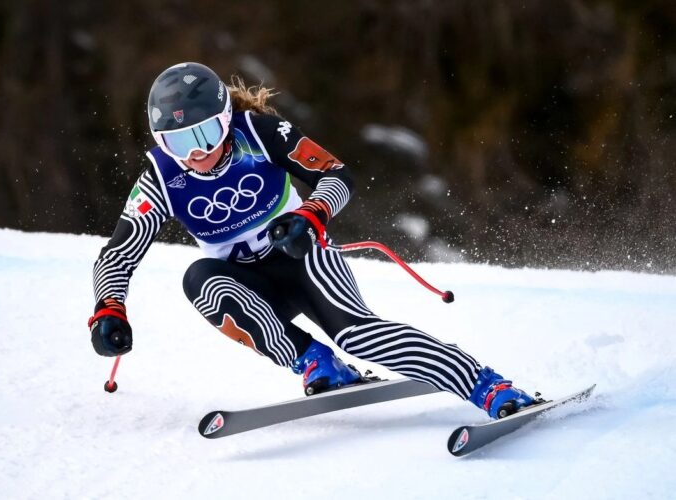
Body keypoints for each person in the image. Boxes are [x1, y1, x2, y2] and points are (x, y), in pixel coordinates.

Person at [88, 62, 538, 419]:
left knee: (359, 336)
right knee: (199, 279)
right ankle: (314, 360)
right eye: (177, 142)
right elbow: (117, 255)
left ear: (225, 119)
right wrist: (108, 308)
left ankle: (485, 385)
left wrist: (310, 214)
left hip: (304, 258)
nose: (196, 153)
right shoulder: (160, 179)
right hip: (252, 290)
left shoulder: (260, 134)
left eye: (204, 134)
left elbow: (337, 175)